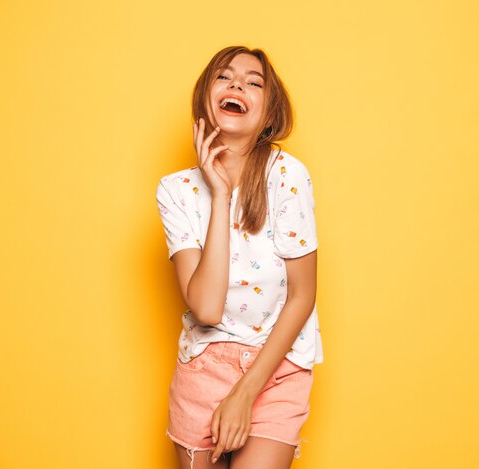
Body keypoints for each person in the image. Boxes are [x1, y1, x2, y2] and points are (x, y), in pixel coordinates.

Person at [155, 45, 323, 469]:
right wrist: (221, 193)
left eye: (253, 82)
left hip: (277, 365)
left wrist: (246, 393)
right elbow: (207, 309)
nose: (237, 85)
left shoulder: (287, 176)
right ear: (205, 98)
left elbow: (303, 296)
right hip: (204, 364)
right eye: (225, 77)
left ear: (268, 115)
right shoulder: (175, 190)